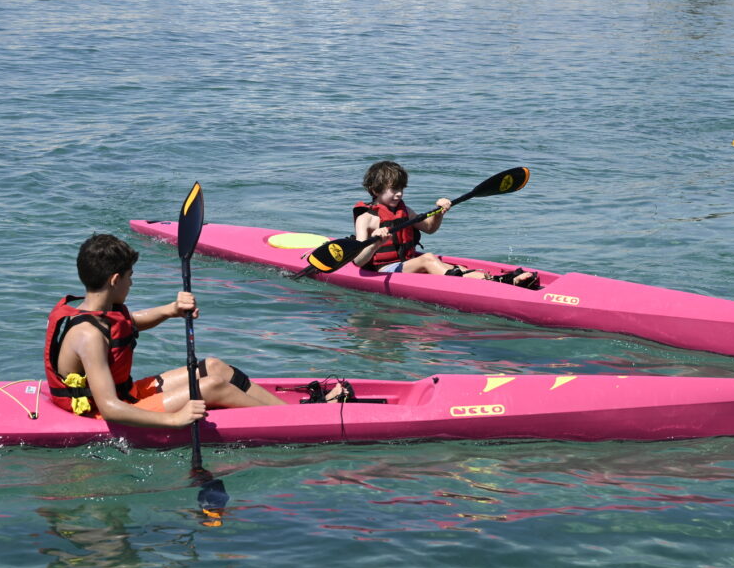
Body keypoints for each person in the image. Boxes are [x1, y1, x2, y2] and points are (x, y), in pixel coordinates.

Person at [43, 234, 333, 429]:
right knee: (212, 386)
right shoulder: (89, 336)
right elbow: (109, 408)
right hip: (101, 412)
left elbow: (130, 323)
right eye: (130, 277)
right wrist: (175, 419)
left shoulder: (98, 311)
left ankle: (292, 415)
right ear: (115, 279)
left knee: (214, 367)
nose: (132, 283)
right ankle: (296, 425)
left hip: (126, 394)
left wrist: (171, 310)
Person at [352, 161, 537, 287]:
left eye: (401, 188)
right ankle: (465, 285)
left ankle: (503, 281)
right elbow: (358, 261)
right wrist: (375, 243)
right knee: (428, 258)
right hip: (384, 270)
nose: (399, 194)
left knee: (459, 268)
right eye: (393, 189)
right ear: (375, 190)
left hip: (406, 263)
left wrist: (439, 213)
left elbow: (429, 228)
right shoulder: (366, 219)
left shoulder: (405, 210)